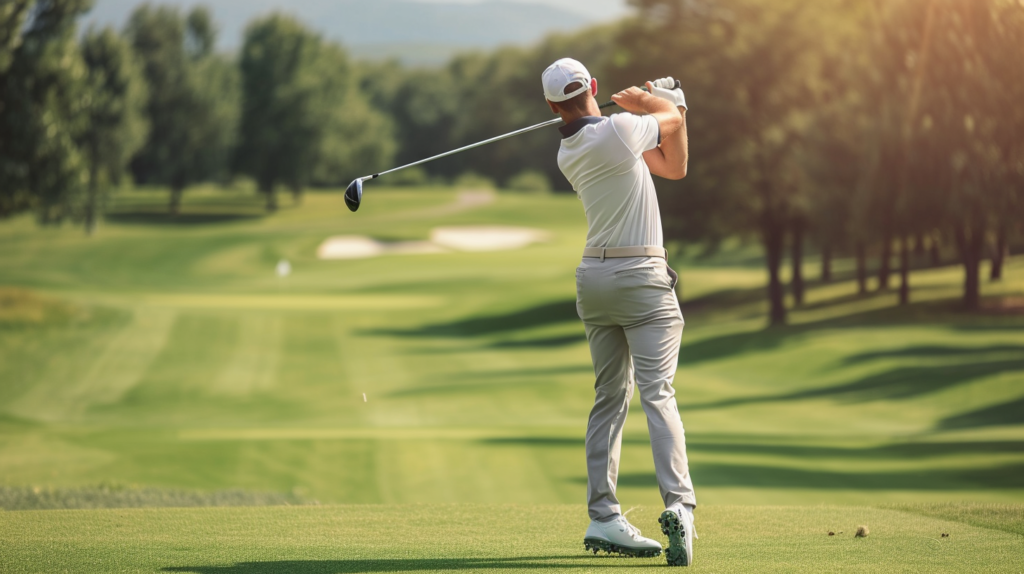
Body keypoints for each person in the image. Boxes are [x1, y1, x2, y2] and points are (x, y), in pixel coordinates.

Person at [542, 58, 697, 567]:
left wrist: (657, 106)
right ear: (592, 87)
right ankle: (680, 507)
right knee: (658, 394)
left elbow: (672, 166)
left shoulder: (572, 148)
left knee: (609, 398)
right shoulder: (619, 131)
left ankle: (604, 516)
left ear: (550, 106)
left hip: (594, 281)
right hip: (641, 280)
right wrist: (656, 98)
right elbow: (669, 123)